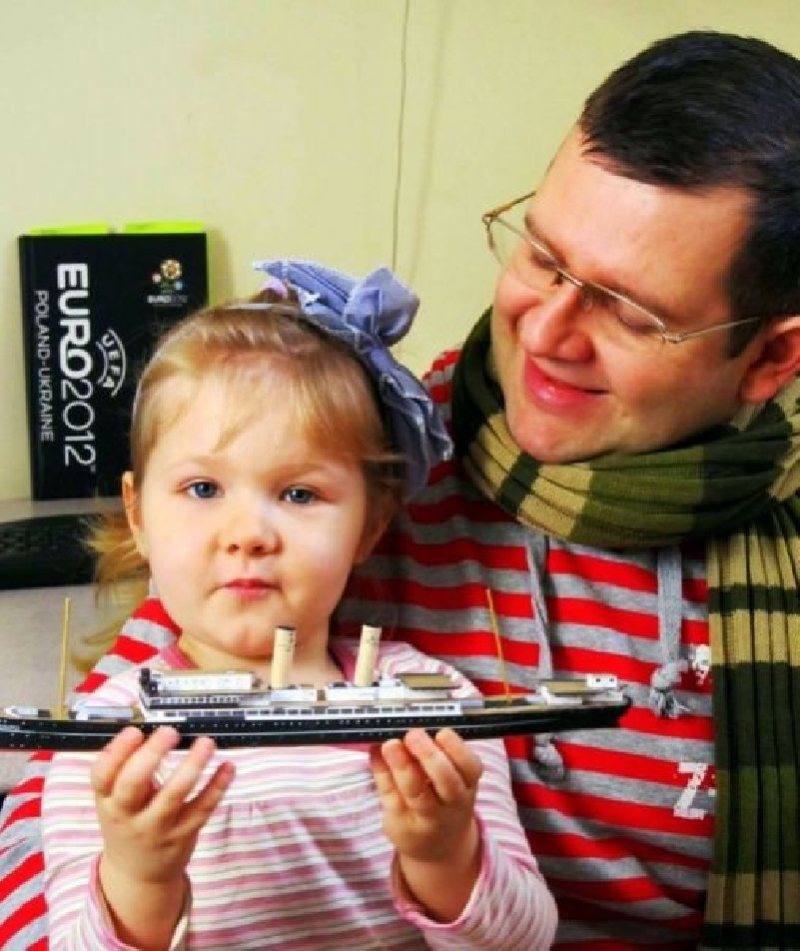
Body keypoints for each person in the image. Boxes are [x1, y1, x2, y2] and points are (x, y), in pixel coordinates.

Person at [2, 26, 799, 951]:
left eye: (630, 312)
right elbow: (57, 820)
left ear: (768, 357)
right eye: (542, 259)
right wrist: (133, 881)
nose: (547, 334)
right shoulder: (362, 460)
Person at [36, 268, 558, 948]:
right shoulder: (105, 744)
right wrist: (139, 878)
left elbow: (528, 940)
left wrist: (445, 856)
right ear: (138, 513)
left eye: (300, 494)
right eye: (203, 488)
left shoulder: (431, 706)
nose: (249, 534)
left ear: (370, 526)